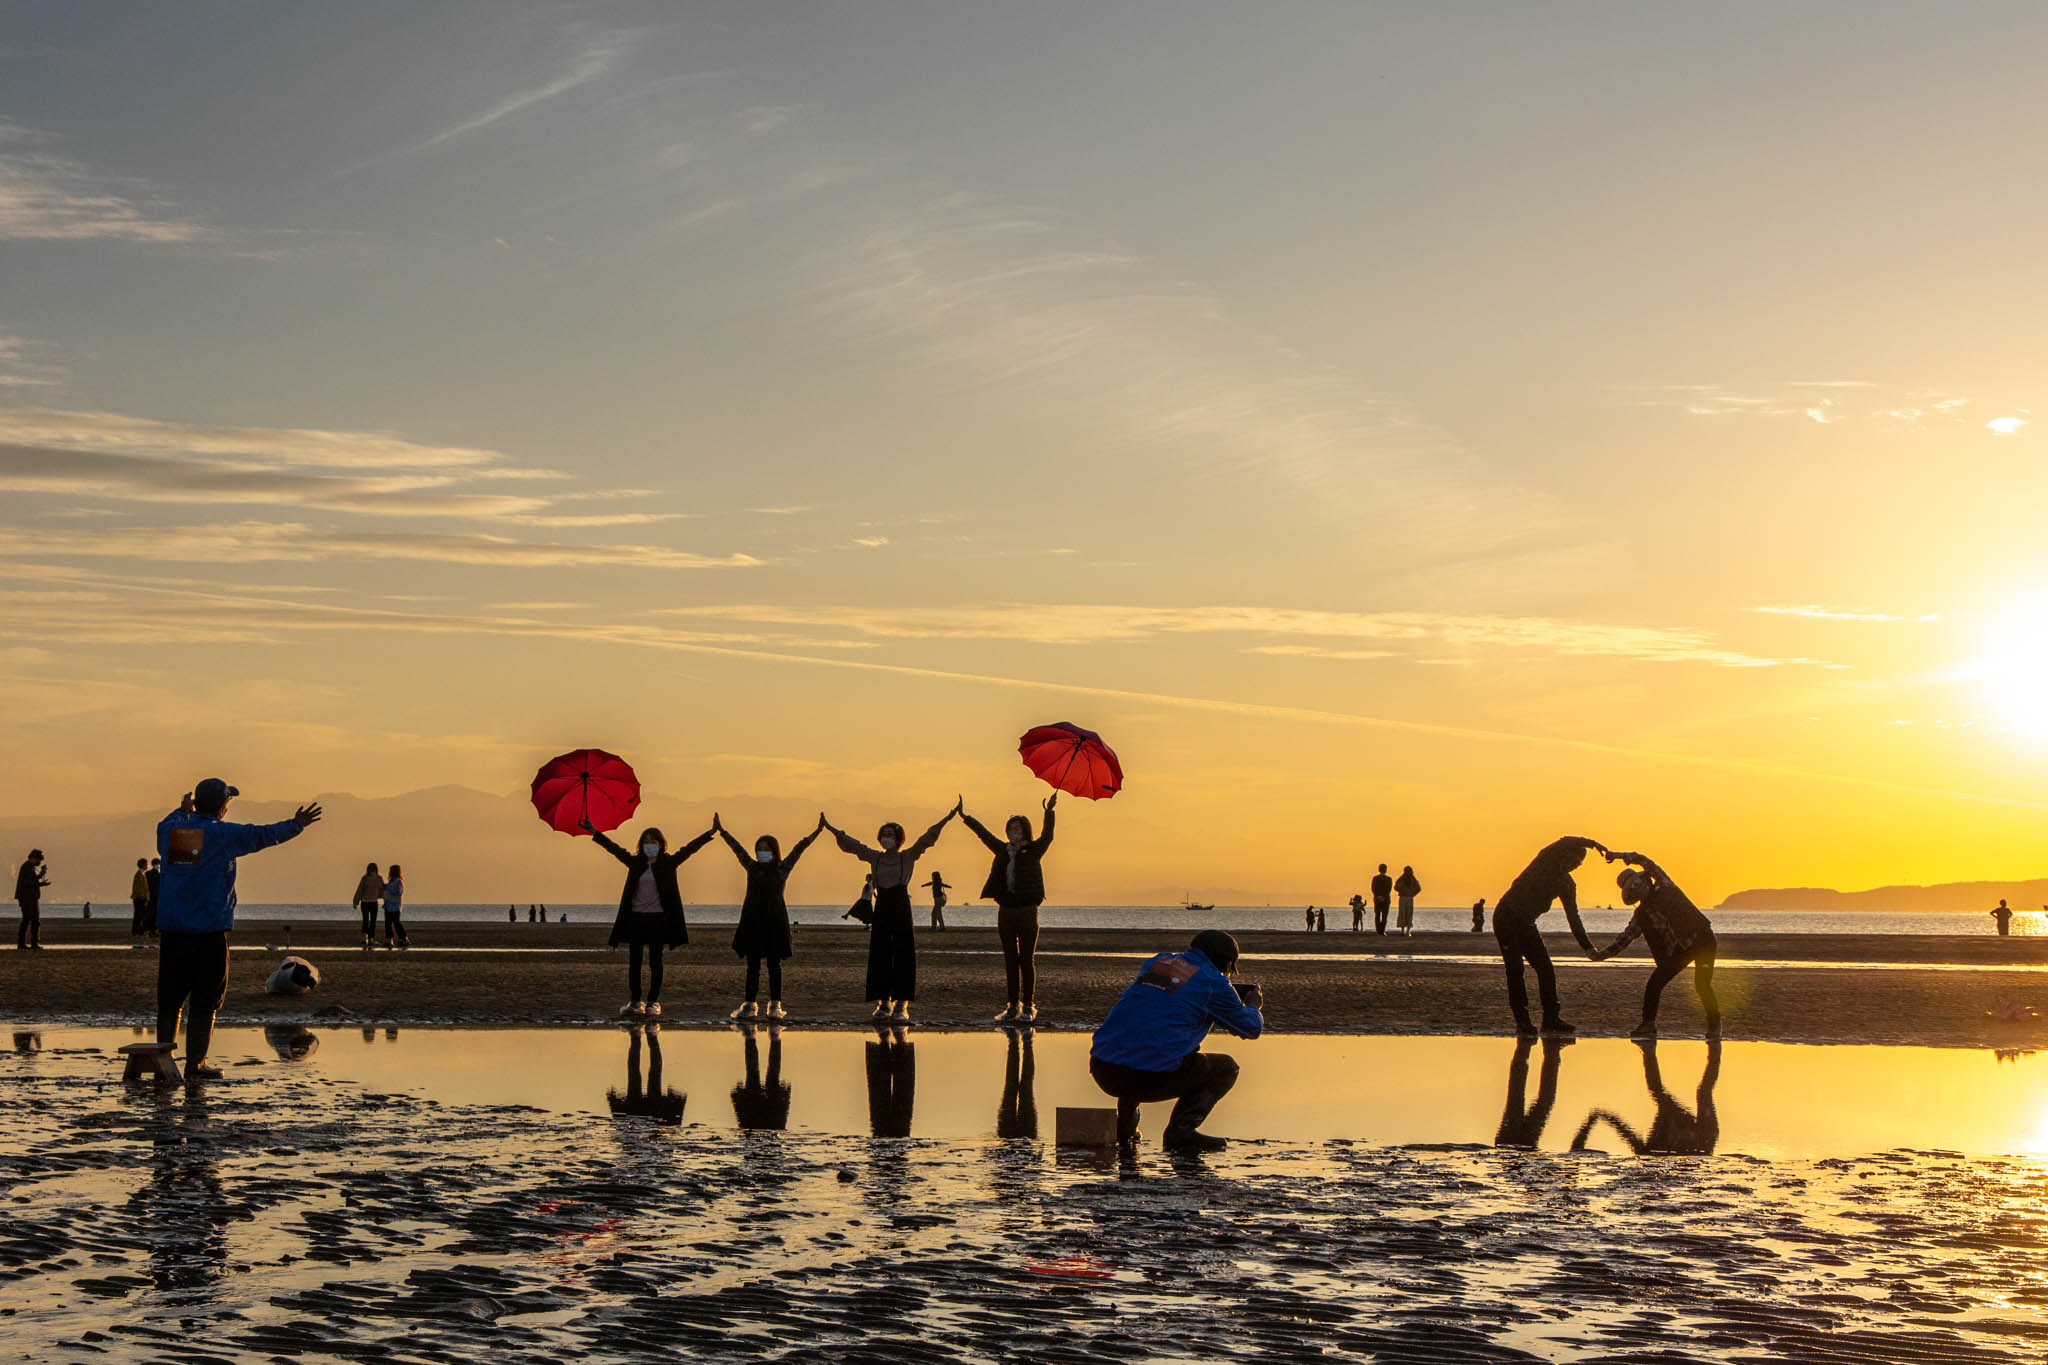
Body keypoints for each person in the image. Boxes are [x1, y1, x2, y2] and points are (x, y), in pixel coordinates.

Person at [156, 779, 323, 1080]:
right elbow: (263, 836)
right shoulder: (222, 835)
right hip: (209, 932)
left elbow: (171, 820)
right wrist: (297, 824)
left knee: (170, 999)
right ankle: (195, 1064)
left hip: (174, 931)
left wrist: (182, 810)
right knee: (205, 1000)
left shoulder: (173, 830)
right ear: (222, 807)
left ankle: (163, 1061)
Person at [1088, 929, 1264, 1151]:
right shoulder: (1213, 982)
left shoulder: (1159, 963)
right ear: (1226, 964)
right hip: (1148, 1076)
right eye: (1230, 970)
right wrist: (1252, 1006)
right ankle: (1181, 1131)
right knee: (1226, 1068)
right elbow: (1251, 1028)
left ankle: (1125, 1129)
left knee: (1142, 1043)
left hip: (1104, 1068)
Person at [824, 803, 957, 1023]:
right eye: (884, 834)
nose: (886, 838)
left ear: (898, 838)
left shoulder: (908, 856)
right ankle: (883, 1001)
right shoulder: (875, 857)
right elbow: (852, 845)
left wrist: (948, 817)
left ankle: (902, 1004)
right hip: (882, 905)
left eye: (890, 835)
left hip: (901, 905)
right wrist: (831, 828)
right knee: (880, 953)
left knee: (904, 953)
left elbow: (928, 838)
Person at [583, 817, 713, 1019]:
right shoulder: (635, 863)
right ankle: (635, 1001)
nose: (649, 846)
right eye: (646, 842)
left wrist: (709, 833)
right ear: (641, 845)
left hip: (659, 920)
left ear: (660, 845)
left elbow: (689, 849)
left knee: (655, 961)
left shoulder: (668, 863)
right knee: (634, 962)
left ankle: (653, 1001)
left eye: (653, 842)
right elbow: (614, 848)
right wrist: (594, 831)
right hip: (636, 918)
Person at [1590, 850, 1720, 1038]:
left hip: (1702, 940)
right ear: (1632, 895)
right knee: (1654, 985)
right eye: (1632, 888)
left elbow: (1645, 861)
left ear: (1645, 880)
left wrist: (1618, 856)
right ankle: (1648, 1025)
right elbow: (1624, 939)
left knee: (1702, 985)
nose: (1637, 887)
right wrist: (1601, 955)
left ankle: (1714, 1024)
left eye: (1637, 882)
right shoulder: (1641, 915)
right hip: (1678, 952)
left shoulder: (1665, 886)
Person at [1492, 836, 1607, 1038]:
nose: (1572, 866)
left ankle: (1551, 1020)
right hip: (1506, 917)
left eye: (1577, 865)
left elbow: (1573, 917)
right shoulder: (1546, 861)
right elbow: (1564, 840)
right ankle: (1523, 1022)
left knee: (1545, 968)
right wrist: (1593, 844)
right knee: (1515, 969)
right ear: (1564, 854)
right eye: (1572, 860)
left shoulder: (1566, 884)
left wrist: (1587, 947)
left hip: (1527, 923)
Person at [714, 812, 824, 1020]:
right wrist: (722, 831)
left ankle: (775, 1005)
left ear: (774, 851)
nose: (762, 852)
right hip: (752, 921)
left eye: (766, 849)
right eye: (759, 849)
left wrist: (817, 832)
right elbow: (737, 849)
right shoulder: (752, 867)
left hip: (775, 922)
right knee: (752, 966)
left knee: (774, 966)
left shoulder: (782, 868)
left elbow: (799, 849)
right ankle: (750, 1005)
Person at [960, 793, 1057, 1024]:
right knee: (1010, 959)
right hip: (1006, 911)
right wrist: (966, 817)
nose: (1014, 832)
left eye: (1018, 828)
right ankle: (1012, 1006)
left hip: (1027, 910)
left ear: (1025, 830)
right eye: (1011, 828)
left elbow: (1048, 836)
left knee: (1027, 959)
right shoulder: (1003, 850)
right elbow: (984, 835)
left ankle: (1028, 1006)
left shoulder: (1034, 849)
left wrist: (1049, 811)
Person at [1571, 1039, 1720, 1156]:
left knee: (1663, 1092)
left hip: (1684, 1129)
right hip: (1703, 1134)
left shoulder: (1648, 1153)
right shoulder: (1662, 1151)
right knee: (1702, 1093)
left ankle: (1648, 1051)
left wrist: (1598, 1118)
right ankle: (1715, 1052)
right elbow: (1627, 1132)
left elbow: (1625, 1132)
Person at [15, 848, 49, 950]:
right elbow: (29, 883)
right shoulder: (27, 867)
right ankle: (32, 943)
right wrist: (41, 883)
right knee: (33, 921)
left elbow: (30, 880)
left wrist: (40, 875)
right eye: (39, 860)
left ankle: (24, 943)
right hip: (28, 898)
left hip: (27, 897)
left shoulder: (28, 867)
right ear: (34, 858)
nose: (39, 862)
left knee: (28, 920)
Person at [351, 863, 384, 948]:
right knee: (372, 921)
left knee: (365, 920)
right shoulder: (379, 878)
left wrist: (355, 902)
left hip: (365, 902)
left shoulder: (365, 878)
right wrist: (385, 900)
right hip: (373, 902)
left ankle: (364, 938)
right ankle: (371, 939)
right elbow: (382, 891)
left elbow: (359, 890)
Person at [381, 864, 408, 948]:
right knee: (388, 924)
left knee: (397, 923)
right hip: (388, 906)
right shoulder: (391, 882)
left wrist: (387, 888)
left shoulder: (398, 881)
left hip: (395, 906)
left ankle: (403, 938)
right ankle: (390, 940)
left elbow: (398, 891)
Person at [1394, 865, 1421, 935]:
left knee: (1404, 914)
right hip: (1406, 898)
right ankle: (1406, 930)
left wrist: (1412, 893)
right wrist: (1412, 893)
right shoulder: (1408, 879)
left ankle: (1404, 930)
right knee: (1407, 914)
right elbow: (1396, 887)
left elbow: (1418, 888)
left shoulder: (1408, 879)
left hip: (1405, 898)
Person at [130, 858, 151, 941]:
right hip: (139, 898)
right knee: (139, 915)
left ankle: (138, 931)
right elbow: (139, 888)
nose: (147, 866)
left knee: (141, 915)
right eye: (146, 864)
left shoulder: (141, 874)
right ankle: (136, 931)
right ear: (143, 865)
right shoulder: (139, 874)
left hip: (141, 898)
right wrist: (144, 897)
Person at [1370, 864, 1393, 935]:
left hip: (1377, 898)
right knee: (1384, 915)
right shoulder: (1389, 879)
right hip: (1386, 898)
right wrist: (1383, 896)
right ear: (1385, 870)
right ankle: (1382, 931)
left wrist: (1378, 896)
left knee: (1377, 915)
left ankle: (1378, 930)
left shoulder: (1375, 878)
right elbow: (1389, 889)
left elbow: (1373, 888)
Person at [144, 858, 161, 938]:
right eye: (157, 864)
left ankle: (152, 930)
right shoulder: (155, 875)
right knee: (152, 914)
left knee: (152, 914)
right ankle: (152, 930)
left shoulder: (150, 874)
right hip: (153, 897)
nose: (158, 866)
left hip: (153, 897)